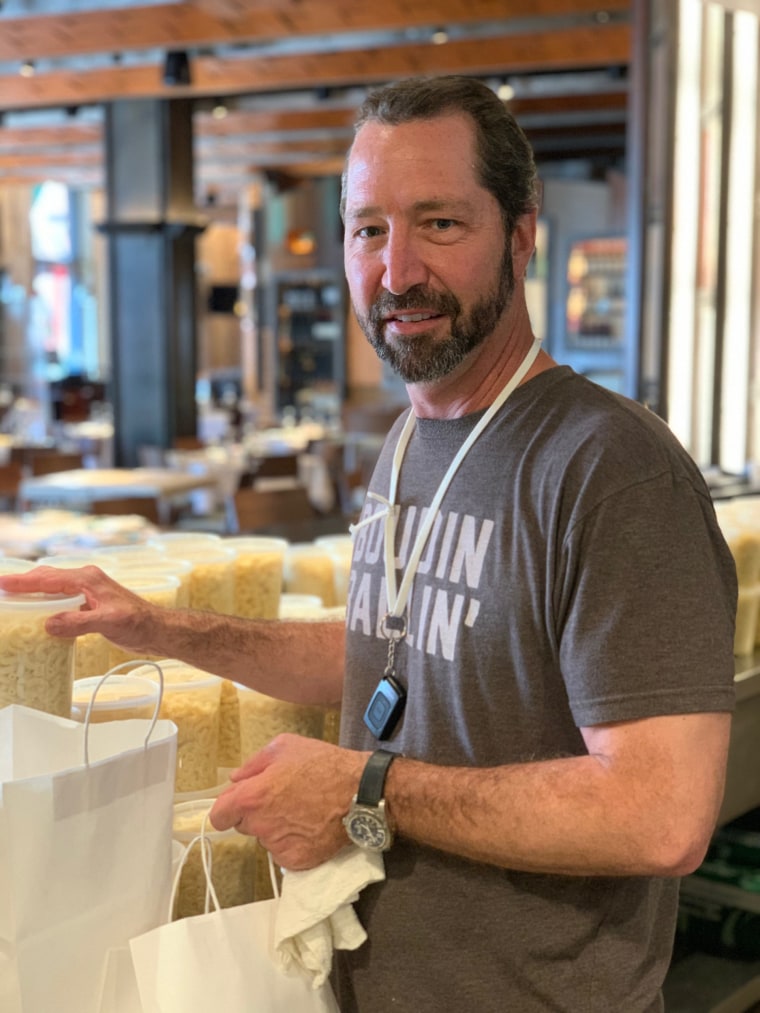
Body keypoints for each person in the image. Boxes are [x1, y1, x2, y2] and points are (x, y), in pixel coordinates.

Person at [0, 76, 737, 1012]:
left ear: (520, 234)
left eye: (437, 224)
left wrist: (366, 786)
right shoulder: (408, 443)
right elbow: (386, 655)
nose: (395, 272)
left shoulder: (610, 468)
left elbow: (660, 814)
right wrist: (167, 628)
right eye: (368, 229)